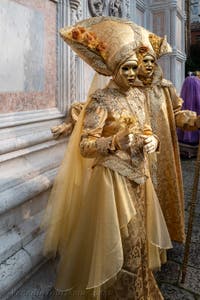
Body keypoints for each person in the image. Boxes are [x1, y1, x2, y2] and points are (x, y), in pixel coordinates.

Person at [42, 17, 173, 299]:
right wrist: (114, 141)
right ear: (113, 70)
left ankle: (139, 291)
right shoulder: (101, 101)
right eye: (125, 68)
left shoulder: (139, 96)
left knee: (137, 243)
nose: (130, 73)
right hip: (112, 183)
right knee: (118, 245)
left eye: (133, 68)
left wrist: (154, 140)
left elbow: (148, 129)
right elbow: (85, 146)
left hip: (140, 179)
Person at [132, 43, 200, 243]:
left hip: (164, 154)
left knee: (161, 191)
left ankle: (161, 240)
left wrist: (194, 121)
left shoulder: (165, 87)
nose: (150, 65)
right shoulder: (127, 87)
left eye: (153, 61)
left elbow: (176, 113)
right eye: (145, 61)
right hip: (137, 152)